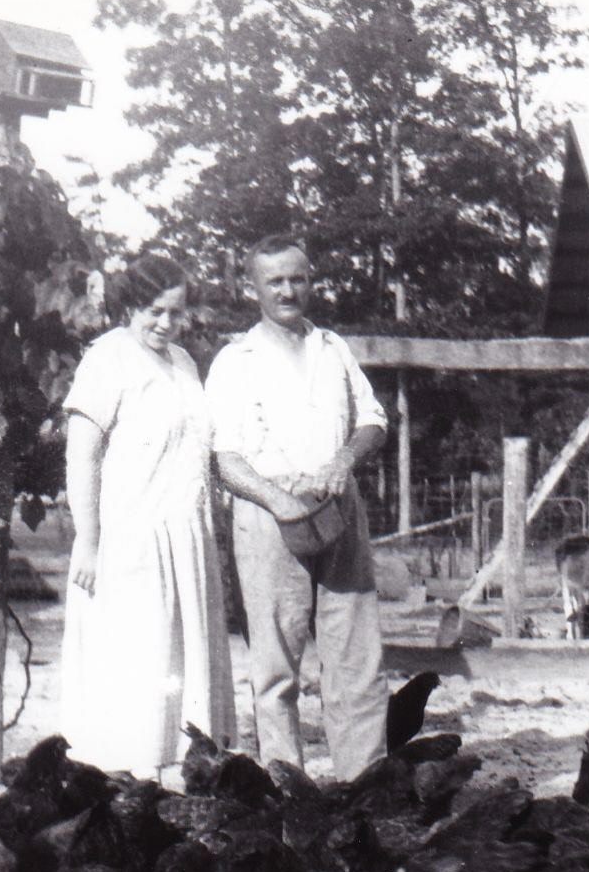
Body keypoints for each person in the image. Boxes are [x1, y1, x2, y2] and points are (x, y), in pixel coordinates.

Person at [204, 234, 389, 781]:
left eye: (297, 278)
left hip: (337, 506)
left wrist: (343, 461)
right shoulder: (235, 360)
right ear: (253, 287)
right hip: (268, 516)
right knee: (276, 665)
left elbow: (373, 419)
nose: (288, 290)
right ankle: (287, 791)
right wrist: (277, 499)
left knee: (356, 659)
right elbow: (226, 457)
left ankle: (364, 786)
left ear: (311, 279)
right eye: (274, 281)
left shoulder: (332, 348)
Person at [58, 254, 238, 779]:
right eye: (154, 311)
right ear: (130, 305)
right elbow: (82, 456)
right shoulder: (107, 358)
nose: (165, 323)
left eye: (176, 313)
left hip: (187, 540)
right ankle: (128, 787)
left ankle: (180, 788)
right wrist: (88, 542)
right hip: (130, 544)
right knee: (139, 668)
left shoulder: (182, 361)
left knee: (183, 673)